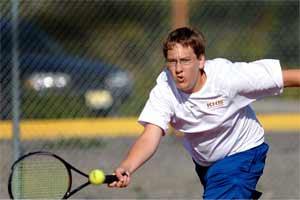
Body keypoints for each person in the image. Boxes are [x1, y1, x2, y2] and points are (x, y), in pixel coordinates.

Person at [108, 27, 300, 199]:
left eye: (185, 61)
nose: (178, 69)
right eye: (172, 62)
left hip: (243, 152)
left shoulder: (228, 78)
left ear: (200, 61)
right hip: (207, 166)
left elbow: (286, 78)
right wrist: (127, 167)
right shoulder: (165, 88)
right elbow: (150, 135)